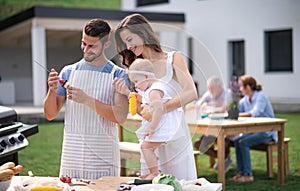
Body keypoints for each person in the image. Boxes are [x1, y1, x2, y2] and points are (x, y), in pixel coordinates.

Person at [112, 13, 198, 180]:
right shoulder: (137, 68)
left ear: (143, 33)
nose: (128, 46)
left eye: (130, 39)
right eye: (125, 43)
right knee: (153, 183)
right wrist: (131, 98)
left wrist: (161, 108)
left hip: (174, 135)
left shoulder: (173, 59)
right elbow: (143, 112)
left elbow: (190, 92)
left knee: (180, 184)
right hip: (151, 138)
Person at [43, 18, 129, 180]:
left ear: (106, 45)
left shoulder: (118, 75)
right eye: (84, 43)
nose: (86, 49)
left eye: (92, 46)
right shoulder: (68, 72)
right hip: (72, 154)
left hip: (103, 154)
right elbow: (50, 114)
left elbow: (120, 117)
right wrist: (51, 91)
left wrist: (87, 100)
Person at [128, 59, 183, 180]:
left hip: (164, 125)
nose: (136, 85)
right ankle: (155, 171)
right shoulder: (151, 89)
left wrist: (152, 127)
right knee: (146, 146)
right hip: (162, 123)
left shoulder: (154, 91)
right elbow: (149, 103)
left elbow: (158, 109)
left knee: (146, 147)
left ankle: (155, 173)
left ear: (146, 76)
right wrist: (139, 97)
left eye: (136, 81)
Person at [229, 74, 276, 183]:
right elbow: (237, 109)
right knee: (237, 141)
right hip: (254, 132)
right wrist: (232, 109)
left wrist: (238, 115)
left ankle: (248, 175)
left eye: (241, 86)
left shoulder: (260, 97)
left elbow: (255, 113)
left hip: (267, 132)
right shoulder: (245, 100)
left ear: (248, 87)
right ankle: (241, 173)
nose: (240, 89)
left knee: (243, 142)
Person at [193, 76, 234, 172]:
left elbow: (225, 108)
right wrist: (204, 106)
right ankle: (223, 159)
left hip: (227, 129)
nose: (209, 90)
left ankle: (224, 159)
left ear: (219, 87)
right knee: (199, 144)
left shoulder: (227, 93)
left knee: (224, 142)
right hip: (211, 128)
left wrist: (209, 109)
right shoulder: (209, 94)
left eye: (211, 88)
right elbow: (198, 105)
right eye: (209, 88)